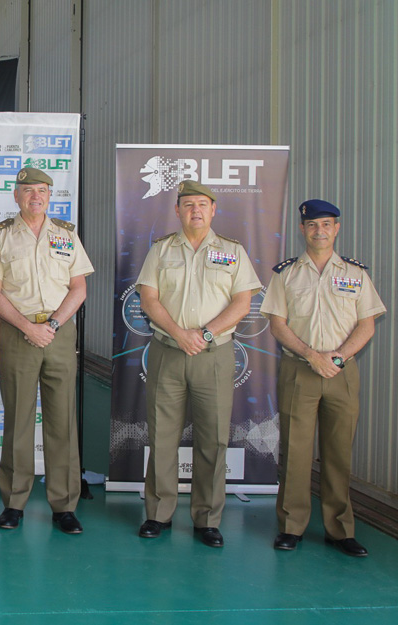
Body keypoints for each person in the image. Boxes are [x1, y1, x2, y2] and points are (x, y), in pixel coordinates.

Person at [135, 179, 262, 548]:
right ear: (177, 210)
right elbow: (149, 299)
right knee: (162, 436)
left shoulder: (232, 251)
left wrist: (203, 334)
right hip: (168, 352)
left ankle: (207, 518)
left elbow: (242, 303)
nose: (195, 210)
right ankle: (158, 514)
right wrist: (179, 333)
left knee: (214, 438)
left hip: (215, 356)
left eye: (202, 204)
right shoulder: (160, 250)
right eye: (188, 204)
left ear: (213, 209)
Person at [260, 199, 385, 557]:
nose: (319, 231)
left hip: (342, 373)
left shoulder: (356, 274)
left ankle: (340, 529)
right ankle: (291, 526)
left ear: (337, 228)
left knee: (338, 452)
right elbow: (277, 324)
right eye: (312, 225)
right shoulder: (286, 274)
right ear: (302, 229)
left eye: (326, 224)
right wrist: (312, 355)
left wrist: (338, 357)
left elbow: (367, 323)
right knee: (296, 453)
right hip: (300, 369)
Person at [0, 167, 94, 533]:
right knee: (18, 420)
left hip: (58, 332)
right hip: (17, 332)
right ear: (16, 195)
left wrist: (53, 326)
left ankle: (64, 505)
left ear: (49, 195)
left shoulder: (66, 235)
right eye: (28, 191)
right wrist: (29, 327)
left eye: (41, 190)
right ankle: (14, 503)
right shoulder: (0, 236)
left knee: (62, 421)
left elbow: (79, 288)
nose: (35, 197)